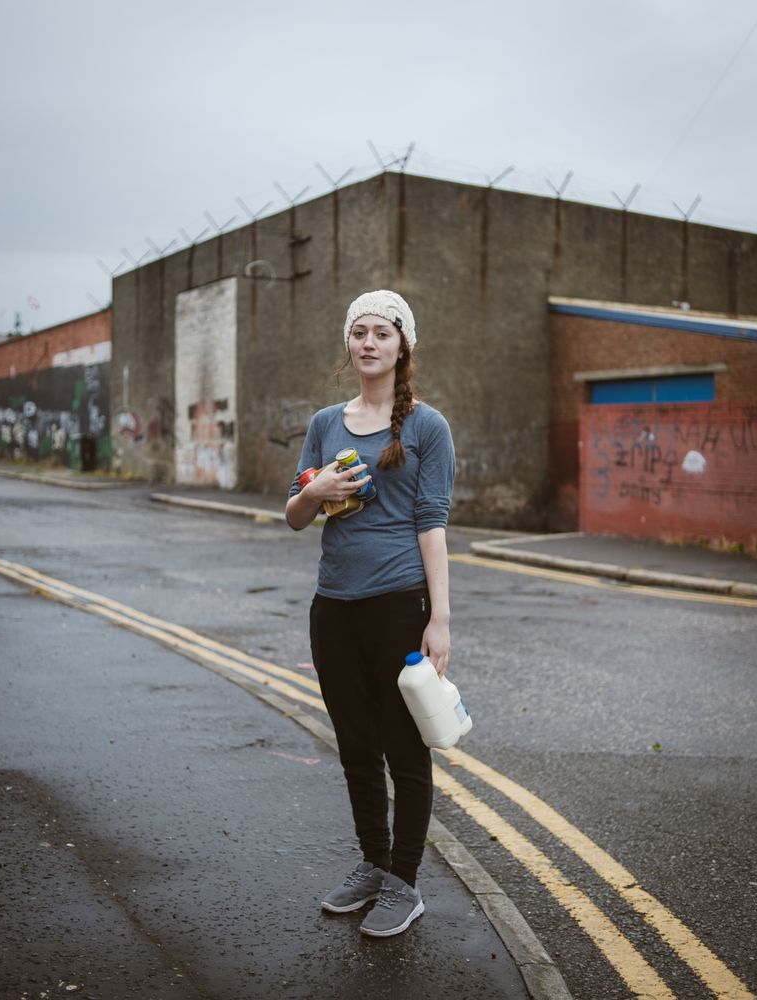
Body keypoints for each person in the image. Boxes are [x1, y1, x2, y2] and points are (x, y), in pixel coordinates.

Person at [285, 289, 455, 938]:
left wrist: (439, 619)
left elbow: (431, 526)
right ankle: (372, 864)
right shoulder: (327, 423)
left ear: (402, 345)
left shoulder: (427, 428)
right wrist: (318, 491)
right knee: (356, 745)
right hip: (334, 608)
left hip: (398, 606)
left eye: (382, 332)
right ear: (348, 345)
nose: (368, 343)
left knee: (404, 750)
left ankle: (404, 884)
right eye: (359, 332)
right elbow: (295, 515)